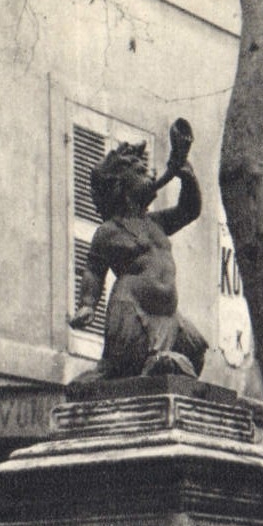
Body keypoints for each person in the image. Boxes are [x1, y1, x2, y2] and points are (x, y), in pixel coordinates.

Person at [68, 130, 207, 380]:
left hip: (168, 316)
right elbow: (94, 270)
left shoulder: (156, 222)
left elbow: (189, 210)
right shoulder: (109, 230)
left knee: (195, 350)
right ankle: (146, 363)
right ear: (121, 186)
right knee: (138, 360)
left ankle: (159, 362)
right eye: (141, 172)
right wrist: (87, 304)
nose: (151, 175)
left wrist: (187, 177)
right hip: (132, 310)